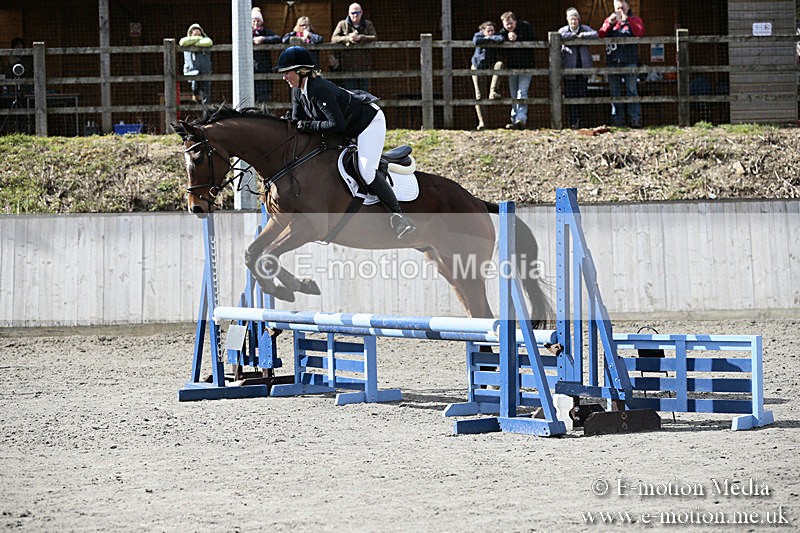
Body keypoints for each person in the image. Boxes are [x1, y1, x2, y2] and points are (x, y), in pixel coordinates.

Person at [275, 46, 415, 239]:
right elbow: (297, 122)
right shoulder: (299, 92)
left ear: (301, 71)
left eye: (287, 73)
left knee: (366, 171)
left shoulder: (319, 89)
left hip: (367, 123)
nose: (284, 78)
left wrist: (307, 125)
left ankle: (398, 217)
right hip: (346, 127)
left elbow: (335, 124)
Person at [598, 0, 645, 127]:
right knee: (615, 92)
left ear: (627, 5)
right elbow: (601, 34)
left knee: (631, 90)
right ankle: (617, 120)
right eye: (617, 5)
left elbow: (640, 32)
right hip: (613, 62)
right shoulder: (610, 20)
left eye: (622, 4)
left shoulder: (635, 20)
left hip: (630, 61)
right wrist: (609, 23)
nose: (620, 8)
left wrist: (627, 20)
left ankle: (635, 119)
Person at [558, 8, 598, 129]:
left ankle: (582, 122)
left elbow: (595, 34)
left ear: (578, 19)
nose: (573, 22)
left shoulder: (584, 28)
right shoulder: (564, 30)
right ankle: (573, 122)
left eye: (575, 19)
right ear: (567, 20)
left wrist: (582, 36)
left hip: (583, 69)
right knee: (571, 97)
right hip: (569, 70)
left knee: (582, 96)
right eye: (571, 19)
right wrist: (574, 37)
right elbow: (559, 36)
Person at [499, 12, 537, 130]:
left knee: (522, 92)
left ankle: (521, 119)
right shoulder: (503, 33)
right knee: (513, 94)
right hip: (512, 67)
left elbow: (534, 40)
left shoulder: (525, 27)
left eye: (510, 23)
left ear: (515, 21)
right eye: (506, 24)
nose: (509, 26)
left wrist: (518, 38)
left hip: (526, 66)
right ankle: (514, 119)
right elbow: (498, 43)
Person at [330, 3, 377, 91]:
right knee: (351, 94)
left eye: (357, 13)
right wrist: (347, 38)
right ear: (348, 13)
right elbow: (334, 38)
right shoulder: (342, 24)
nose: (355, 15)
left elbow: (374, 37)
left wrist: (361, 37)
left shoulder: (368, 24)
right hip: (348, 65)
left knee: (364, 94)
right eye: (353, 13)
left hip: (364, 65)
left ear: (362, 13)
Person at [470, 21, 504, 131]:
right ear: (482, 31)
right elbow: (476, 41)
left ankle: (493, 91)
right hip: (477, 66)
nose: (491, 33)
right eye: (488, 31)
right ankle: (482, 123)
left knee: (499, 65)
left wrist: (490, 38)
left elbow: (500, 39)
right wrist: (489, 39)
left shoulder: (496, 36)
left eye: (492, 30)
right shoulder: (478, 35)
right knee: (479, 95)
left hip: (490, 64)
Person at [251, 7, 281, 103]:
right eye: (254, 21)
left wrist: (263, 39)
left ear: (261, 22)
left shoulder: (265, 32)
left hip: (264, 67)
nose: (256, 23)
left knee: (264, 97)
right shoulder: (246, 33)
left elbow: (278, 38)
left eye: (258, 21)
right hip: (249, 69)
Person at [179, 23, 213, 104]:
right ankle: (195, 96)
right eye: (195, 34)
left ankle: (206, 114)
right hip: (192, 70)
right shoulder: (186, 42)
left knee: (206, 93)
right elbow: (182, 42)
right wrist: (196, 40)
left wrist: (196, 41)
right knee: (195, 83)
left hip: (205, 70)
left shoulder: (206, 41)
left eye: (199, 34)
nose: (197, 36)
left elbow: (208, 42)